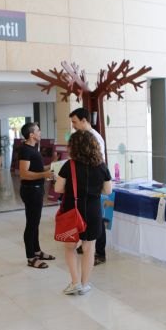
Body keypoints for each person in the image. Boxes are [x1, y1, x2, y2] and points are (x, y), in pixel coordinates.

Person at [55, 130, 112, 295]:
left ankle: (75, 283)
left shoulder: (69, 165)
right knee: (89, 248)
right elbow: (107, 190)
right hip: (93, 211)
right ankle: (85, 284)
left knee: (70, 247)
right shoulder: (101, 166)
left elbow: (58, 188)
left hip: (72, 211)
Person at [69, 107, 108, 265]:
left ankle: (99, 252)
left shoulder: (94, 138)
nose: (73, 125)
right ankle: (86, 243)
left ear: (84, 120)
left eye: (75, 122)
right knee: (85, 217)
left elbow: (98, 163)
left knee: (97, 220)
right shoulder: (82, 137)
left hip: (93, 184)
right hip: (84, 184)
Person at [19, 122, 56, 269]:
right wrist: (44, 174)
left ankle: (37, 251)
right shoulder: (25, 150)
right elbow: (24, 173)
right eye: (38, 130)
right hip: (31, 191)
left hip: (37, 189)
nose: (40, 132)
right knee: (32, 224)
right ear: (31, 135)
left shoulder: (33, 149)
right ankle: (31, 258)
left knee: (35, 223)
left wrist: (52, 165)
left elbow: (39, 169)